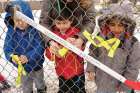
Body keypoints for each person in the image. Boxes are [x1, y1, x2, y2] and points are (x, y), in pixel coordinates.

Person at [86, 3, 140, 93]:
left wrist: (125, 87)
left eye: (121, 25)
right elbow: (93, 52)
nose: (116, 29)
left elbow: (133, 68)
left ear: (127, 25)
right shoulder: (101, 37)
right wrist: (91, 68)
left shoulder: (132, 43)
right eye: (112, 24)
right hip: (101, 81)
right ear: (106, 24)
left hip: (120, 87)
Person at [3, 1, 46, 93]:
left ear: (29, 18)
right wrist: (13, 57)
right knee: (26, 86)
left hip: (37, 64)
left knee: (40, 82)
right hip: (22, 67)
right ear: (12, 20)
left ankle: (41, 89)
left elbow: (39, 47)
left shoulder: (34, 30)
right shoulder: (11, 32)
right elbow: (7, 48)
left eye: (23, 19)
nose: (20, 23)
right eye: (17, 20)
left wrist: (28, 57)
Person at [45, 8, 86, 93]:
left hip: (77, 71)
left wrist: (74, 44)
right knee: (63, 89)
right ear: (54, 22)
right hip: (61, 72)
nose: (62, 26)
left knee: (79, 90)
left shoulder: (75, 33)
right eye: (58, 23)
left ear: (71, 20)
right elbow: (49, 56)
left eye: (65, 23)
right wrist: (54, 52)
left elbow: (82, 49)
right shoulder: (53, 35)